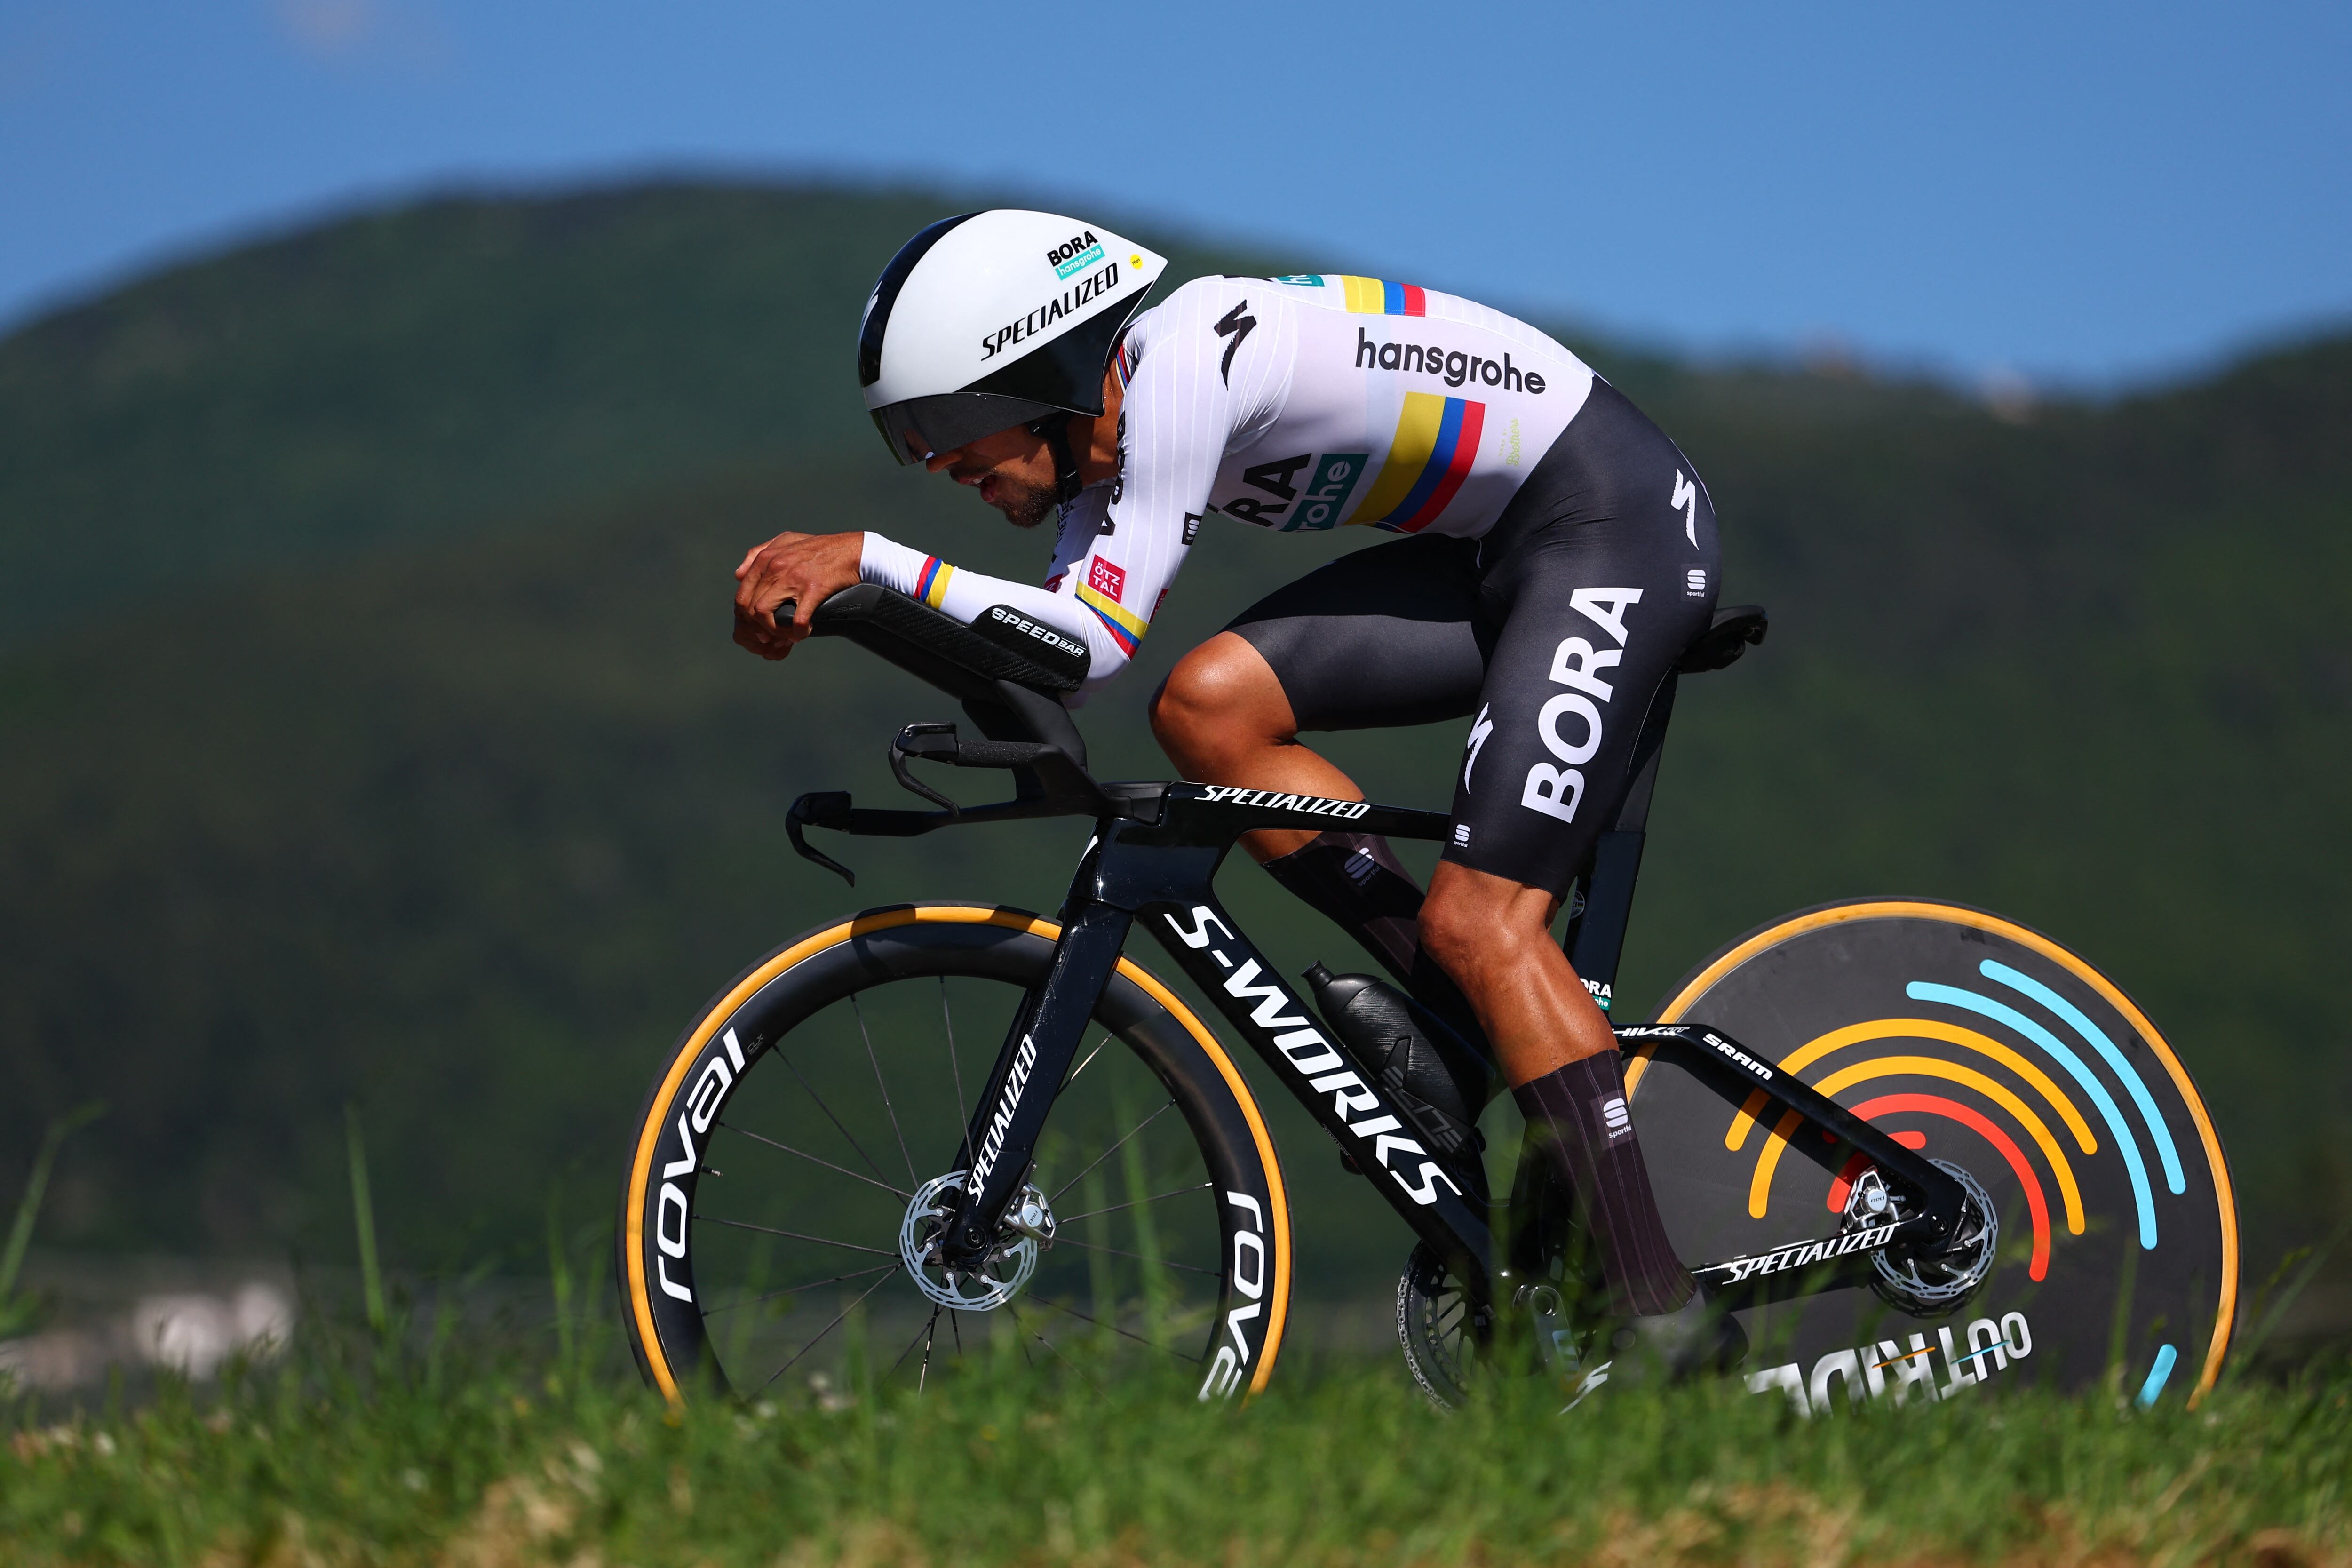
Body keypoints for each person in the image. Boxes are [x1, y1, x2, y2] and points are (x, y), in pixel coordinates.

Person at [731, 209, 1739, 1379]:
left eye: (953, 436)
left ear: (1041, 375)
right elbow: (1057, 655)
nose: (947, 471)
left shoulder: (1185, 367)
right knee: (1207, 709)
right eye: (918, 451)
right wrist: (869, 616)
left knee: (1485, 921)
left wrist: (870, 559)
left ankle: (1667, 1318)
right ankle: (1456, 1028)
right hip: (1498, 553)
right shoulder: (1104, 450)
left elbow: (1090, 640)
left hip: (1611, 524)